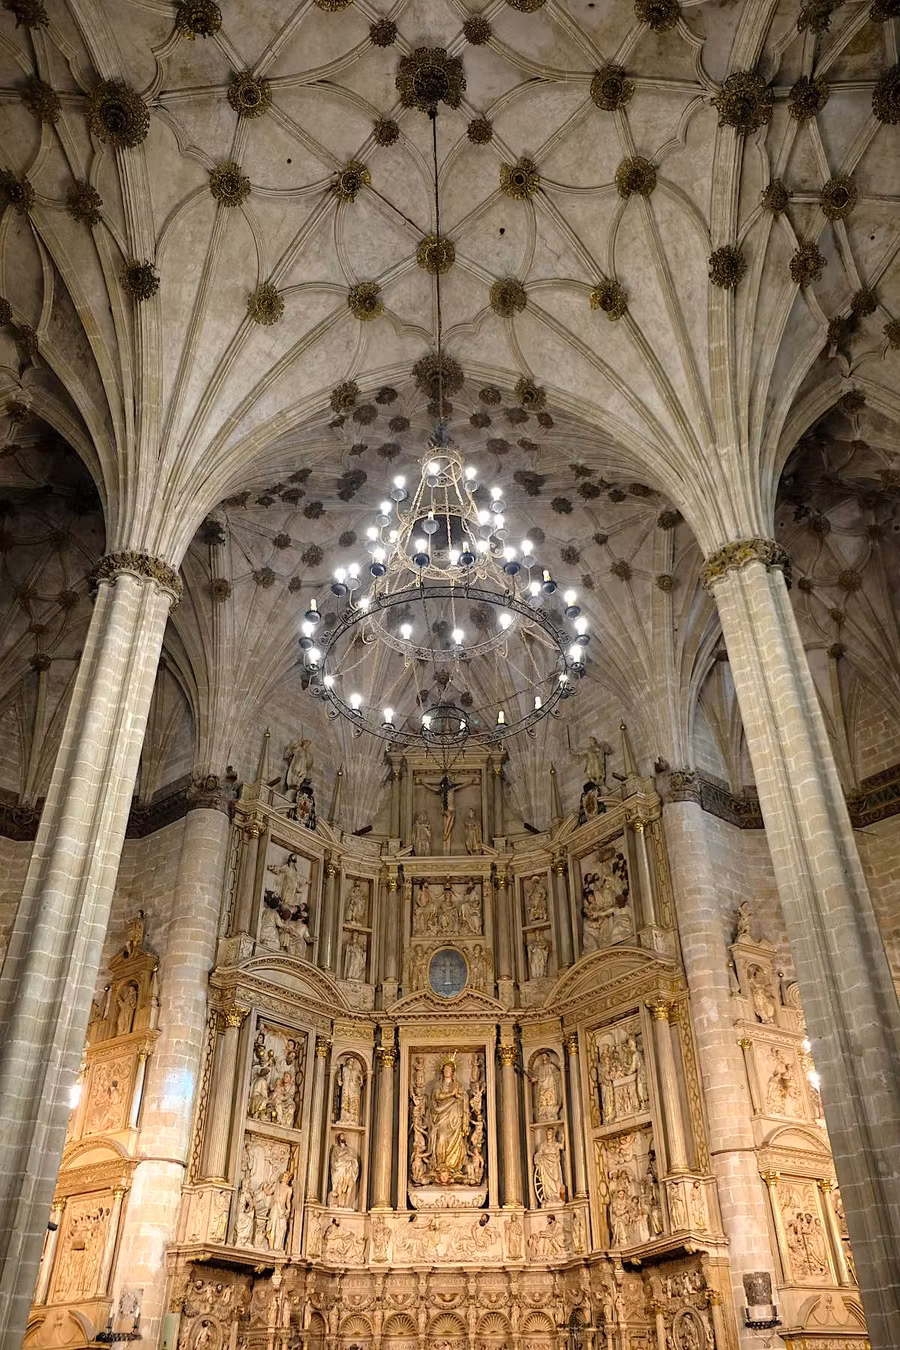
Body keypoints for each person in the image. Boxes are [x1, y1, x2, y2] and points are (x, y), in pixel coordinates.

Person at [428, 1058, 468, 1182]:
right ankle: (440, 1165)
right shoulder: (438, 1085)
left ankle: (452, 1167)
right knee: (441, 1138)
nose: (447, 1071)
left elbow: (463, 1097)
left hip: (455, 1117)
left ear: (452, 1072)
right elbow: (437, 1096)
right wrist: (452, 1094)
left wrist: (459, 1096)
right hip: (441, 1115)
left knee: (456, 1140)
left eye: (449, 1069)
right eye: (445, 1069)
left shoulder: (458, 1085)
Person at [533, 1127, 566, 1206]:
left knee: (556, 1179)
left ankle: (556, 1196)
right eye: (547, 1134)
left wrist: (563, 1135)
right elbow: (539, 1154)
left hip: (554, 1165)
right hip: (545, 1166)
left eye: (550, 1134)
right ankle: (549, 1196)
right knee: (547, 1181)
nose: (548, 1135)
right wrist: (538, 1160)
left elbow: (562, 1146)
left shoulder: (555, 1144)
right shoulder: (543, 1145)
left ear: (553, 1135)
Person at [328, 1133, 360, 1208]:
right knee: (340, 1183)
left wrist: (351, 1161)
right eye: (342, 1137)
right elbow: (335, 1159)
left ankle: (346, 1204)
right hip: (340, 1169)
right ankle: (339, 1203)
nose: (343, 1138)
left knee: (350, 1185)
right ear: (339, 1139)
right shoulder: (336, 1149)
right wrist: (344, 1155)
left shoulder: (349, 1149)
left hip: (348, 1169)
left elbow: (352, 1158)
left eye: (344, 1137)